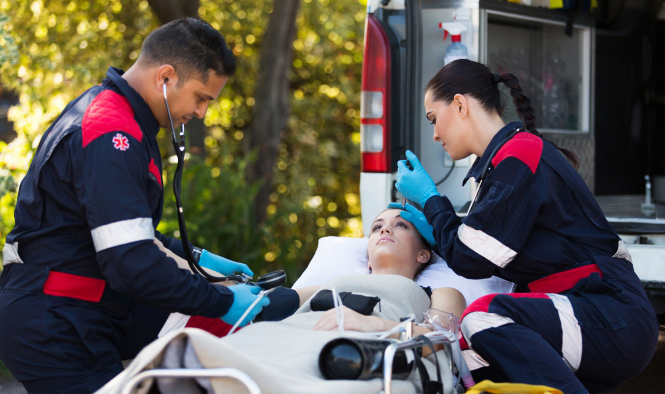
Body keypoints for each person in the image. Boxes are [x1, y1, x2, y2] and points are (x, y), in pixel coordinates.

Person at [0, 18, 270, 394]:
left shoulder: (117, 117)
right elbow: (130, 261)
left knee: (221, 334)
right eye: (202, 97)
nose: (203, 112)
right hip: (54, 321)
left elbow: (125, 230)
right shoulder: (111, 132)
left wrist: (198, 257)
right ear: (166, 78)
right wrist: (221, 299)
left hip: (83, 305)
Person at [393, 59, 658, 394]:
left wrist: (432, 200)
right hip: (595, 318)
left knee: (483, 317)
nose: (434, 134)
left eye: (434, 119)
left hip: (612, 316)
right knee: (471, 359)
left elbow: (471, 259)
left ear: (459, 105)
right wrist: (438, 229)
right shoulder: (508, 160)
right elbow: (479, 249)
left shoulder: (519, 157)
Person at [97, 208, 467, 394]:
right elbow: (269, 303)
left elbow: (443, 339)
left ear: (423, 256)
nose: (385, 228)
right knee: (193, 349)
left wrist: (380, 326)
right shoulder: (332, 281)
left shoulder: (437, 293)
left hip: (353, 351)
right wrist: (220, 282)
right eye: (376, 227)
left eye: (401, 225)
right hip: (283, 338)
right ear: (366, 250)